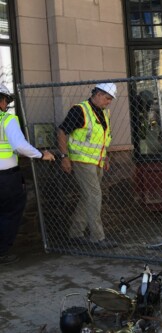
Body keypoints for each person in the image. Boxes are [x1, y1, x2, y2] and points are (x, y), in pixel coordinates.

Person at [57, 82, 118, 249]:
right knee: (94, 196)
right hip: (82, 161)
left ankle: (75, 233)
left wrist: (105, 157)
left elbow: (104, 138)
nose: (108, 102)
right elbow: (62, 131)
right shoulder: (80, 110)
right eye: (107, 98)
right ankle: (97, 238)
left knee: (88, 197)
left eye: (110, 99)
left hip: (97, 161)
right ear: (97, 94)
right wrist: (64, 157)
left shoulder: (104, 113)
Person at [0, 83, 55, 265]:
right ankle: (2, 251)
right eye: (6, 101)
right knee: (10, 213)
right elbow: (20, 146)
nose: (6, 105)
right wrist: (41, 155)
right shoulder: (7, 119)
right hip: (6, 178)